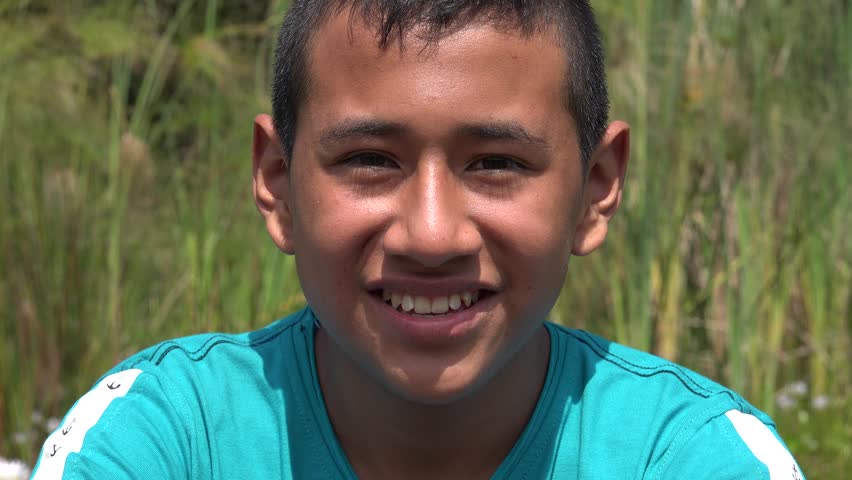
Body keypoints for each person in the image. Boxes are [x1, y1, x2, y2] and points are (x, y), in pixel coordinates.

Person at [32, 1, 805, 478]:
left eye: (497, 163)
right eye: (370, 160)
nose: (431, 234)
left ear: (596, 187)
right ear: (277, 181)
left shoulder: (692, 459)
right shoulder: (162, 442)